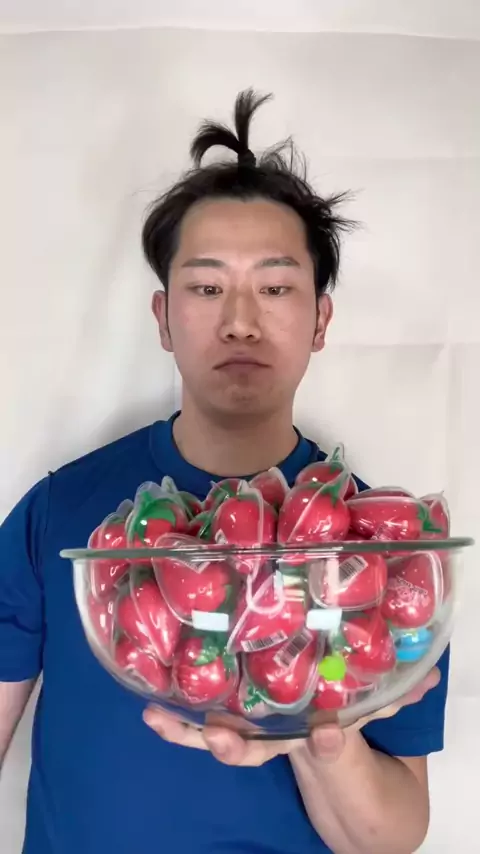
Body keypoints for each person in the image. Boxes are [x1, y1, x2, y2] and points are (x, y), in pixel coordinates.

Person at [0, 89, 448, 854]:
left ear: (320, 320)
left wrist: (319, 731)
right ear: (163, 319)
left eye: (275, 288)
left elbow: (389, 839)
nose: (240, 320)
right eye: (207, 288)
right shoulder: (61, 513)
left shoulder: (377, 549)